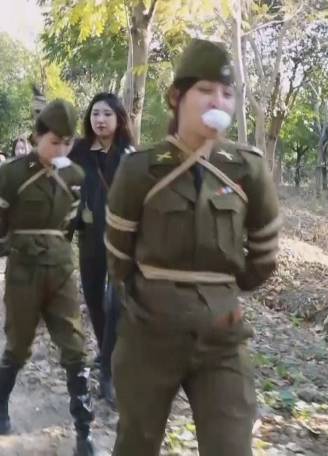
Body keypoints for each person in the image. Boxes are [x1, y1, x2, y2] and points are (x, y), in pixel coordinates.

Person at [104, 39, 282, 456]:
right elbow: (118, 257)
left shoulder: (248, 169)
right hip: (149, 336)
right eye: (205, 90)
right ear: (175, 97)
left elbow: (264, 253)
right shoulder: (140, 169)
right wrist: (153, 300)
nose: (218, 101)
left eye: (227, 93)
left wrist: (223, 292)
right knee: (135, 446)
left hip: (222, 340)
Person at [0, 99, 98, 456]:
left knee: (75, 348)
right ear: (37, 137)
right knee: (19, 343)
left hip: (60, 269)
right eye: (54, 142)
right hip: (24, 269)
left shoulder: (75, 176)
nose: (61, 150)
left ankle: (84, 432)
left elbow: (72, 223)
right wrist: (15, 240)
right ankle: (0, 405)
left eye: (67, 143)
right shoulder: (13, 173)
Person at [67, 92, 134, 407]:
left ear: (119, 118)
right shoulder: (79, 151)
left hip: (122, 241)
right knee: (94, 301)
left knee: (115, 304)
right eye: (95, 114)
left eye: (107, 114)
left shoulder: (130, 155)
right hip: (90, 235)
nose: (100, 120)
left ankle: (109, 369)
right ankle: (106, 350)